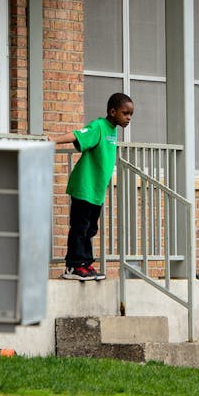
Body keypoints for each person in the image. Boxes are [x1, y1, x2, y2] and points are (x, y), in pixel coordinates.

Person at [49, 92, 134, 281]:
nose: (128, 118)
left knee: (90, 229)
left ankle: (85, 264)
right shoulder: (99, 126)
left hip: (96, 191)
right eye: (125, 113)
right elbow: (77, 135)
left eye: (130, 114)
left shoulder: (112, 130)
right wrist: (52, 141)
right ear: (112, 112)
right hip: (84, 187)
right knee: (80, 227)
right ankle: (73, 267)